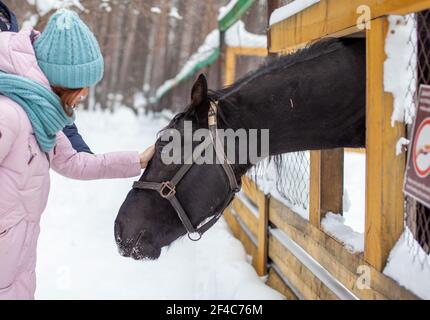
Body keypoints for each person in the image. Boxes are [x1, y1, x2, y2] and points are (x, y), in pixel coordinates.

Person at [0, 8, 155, 299]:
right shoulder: (8, 114)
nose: (84, 95)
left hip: (17, 263)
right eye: (82, 87)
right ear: (61, 81)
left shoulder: (41, 114)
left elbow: (74, 162)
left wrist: (138, 160)